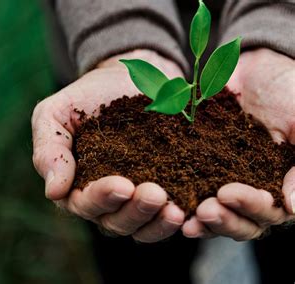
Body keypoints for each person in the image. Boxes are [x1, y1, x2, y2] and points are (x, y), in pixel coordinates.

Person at [33, 1, 295, 283]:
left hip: (285, 53)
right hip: (93, 39)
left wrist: (279, 25)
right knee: (142, 264)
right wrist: (122, 34)